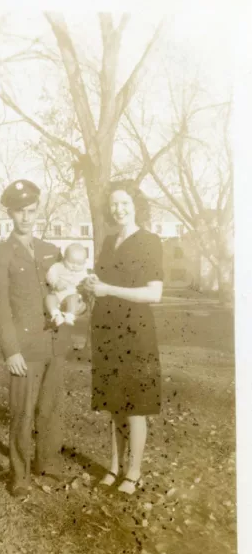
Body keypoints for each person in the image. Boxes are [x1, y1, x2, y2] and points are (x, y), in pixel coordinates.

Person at [0, 179, 72, 498]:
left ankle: (47, 465)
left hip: (53, 343)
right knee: (22, 412)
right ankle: (19, 475)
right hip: (24, 349)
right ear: (10, 213)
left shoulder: (52, 252)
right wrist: (10, 351)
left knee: (50, 408)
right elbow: (0, 308)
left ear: (38, 210)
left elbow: (65, 291)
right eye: (20, 212)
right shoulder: (0, 254)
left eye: (32, 210)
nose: (26, 217)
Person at [85, 179, 164, 496]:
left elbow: (154, 294)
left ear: (136, 206)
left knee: (135, 407)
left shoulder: (149, 241)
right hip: (106, 331)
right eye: (114, 204)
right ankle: (114, 467)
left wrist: (107, 290)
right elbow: (100, 281)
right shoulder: (108, 242)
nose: (119, 209)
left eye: (125, 203)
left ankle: (133, 472)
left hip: (136, 332)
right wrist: (90, 285)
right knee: (114, 405)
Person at [45, 243, 89, 326]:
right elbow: (50, 274)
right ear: (64, 258)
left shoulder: (83, 272)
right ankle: (56, 314)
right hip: (57, 294)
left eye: (79, 264)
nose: (74, 266)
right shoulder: (58, 266)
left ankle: (70, 315)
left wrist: (87, 283)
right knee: (49, 298)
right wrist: (55, 283)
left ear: (84, 263)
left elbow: (86, 281)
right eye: (71, 262)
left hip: (72, 294)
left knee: (73, 298)